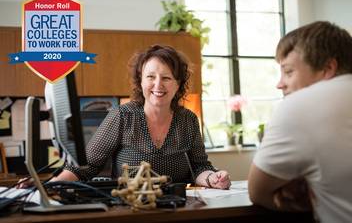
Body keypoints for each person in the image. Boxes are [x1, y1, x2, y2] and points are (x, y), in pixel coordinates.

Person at [19, 44, 231, 190]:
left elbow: (199, 167)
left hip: (178, 208)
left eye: (166, 78)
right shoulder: (123, 116)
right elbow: (84, 167)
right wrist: (45, 187)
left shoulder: (188, 120)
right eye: (150, 77)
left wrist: (213, 179)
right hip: (130, 209)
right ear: (140, 81)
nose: (158, 85)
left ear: (178, 84)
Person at [248, 21, 352, 222]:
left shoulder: (299, 105)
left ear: (328, 68)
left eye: (288, 72)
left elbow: (258, 192)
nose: (280, 84)